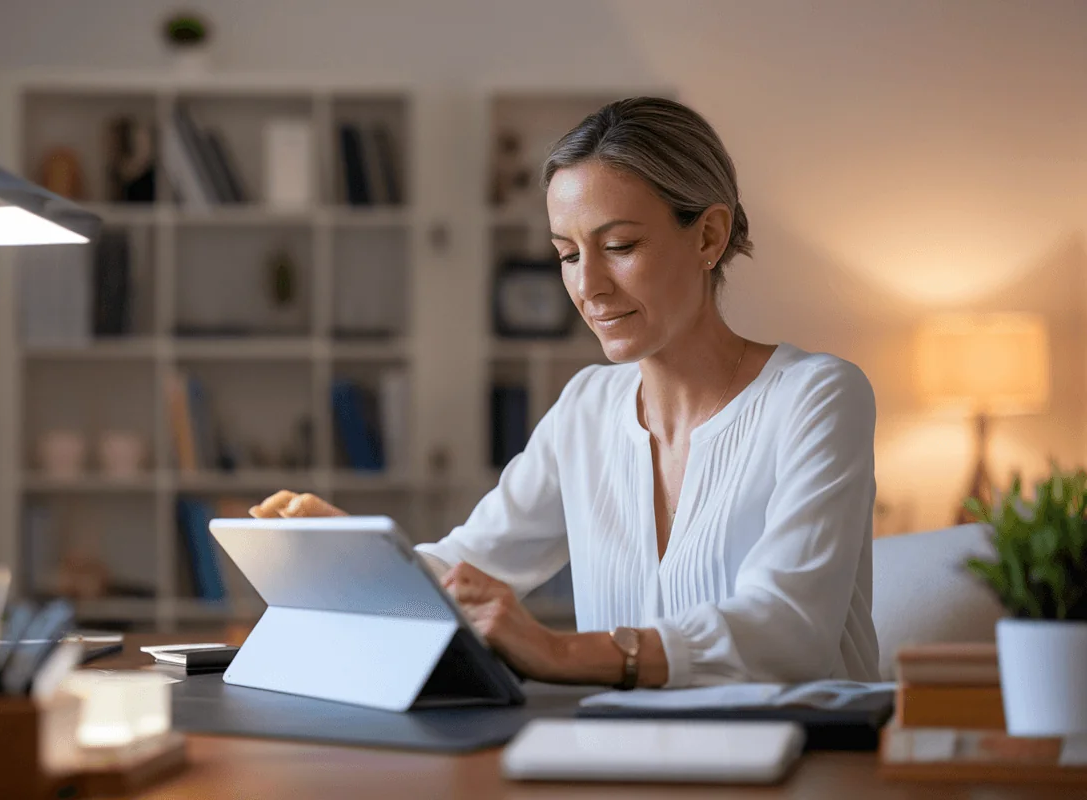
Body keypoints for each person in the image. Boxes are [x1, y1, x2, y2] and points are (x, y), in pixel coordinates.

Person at [252, 97, 879, 689]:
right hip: (622, 757)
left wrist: (560, 652)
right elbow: (471, 570)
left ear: (709, 237)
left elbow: (791, 629)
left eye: (619, 247)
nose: (589, 286)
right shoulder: (587, 407)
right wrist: (363, 557)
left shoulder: (817, 397)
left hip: (806, 760)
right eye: (567, 254)